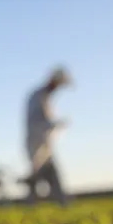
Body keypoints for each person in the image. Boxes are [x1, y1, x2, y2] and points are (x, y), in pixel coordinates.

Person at [20, 67, 72, 205]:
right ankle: (35, 204)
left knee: (49, 174)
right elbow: (36, 121)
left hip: (44, 144)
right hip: (36, 143)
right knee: (38, 175)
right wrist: (55, 124)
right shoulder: (38, 96)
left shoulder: (45, 97)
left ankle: (62, 202)